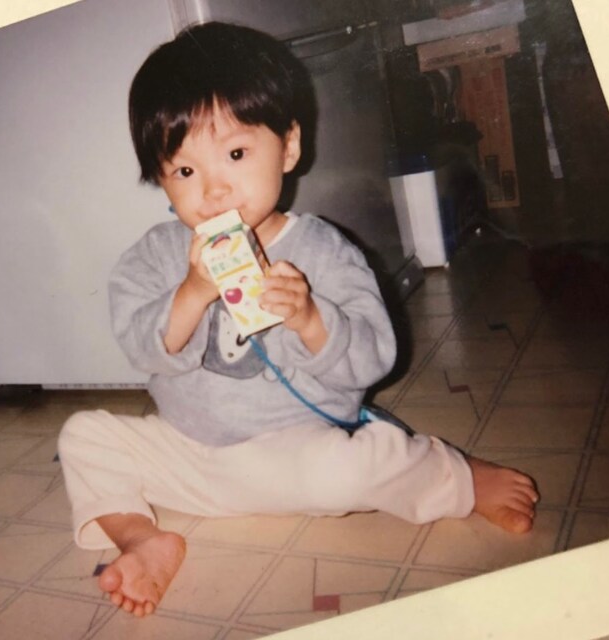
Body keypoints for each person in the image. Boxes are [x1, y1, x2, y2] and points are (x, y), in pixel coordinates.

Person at [58, 21, 539, 619]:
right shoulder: (156, 256)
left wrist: (311, 318)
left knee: (350, 469)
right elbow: (141, 346)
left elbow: (374, 357)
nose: (213, 191)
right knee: (83, 436)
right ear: (160, 178)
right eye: (184, 171)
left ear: (288, 147)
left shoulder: (323, 250)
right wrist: (192, 293)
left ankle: (459, 478)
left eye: (236, 155)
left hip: (293, 452)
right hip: (189, 452)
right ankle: (142, 538)